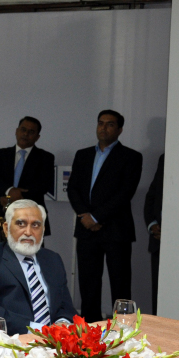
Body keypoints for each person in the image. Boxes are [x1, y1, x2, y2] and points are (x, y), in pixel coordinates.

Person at [66, 109, 143, 321]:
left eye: (110, 124)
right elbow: (73, 189)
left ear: (119, 130)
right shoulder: (83, 155)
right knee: (88, 285)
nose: (104, 128)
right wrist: (85, 216)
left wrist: (96, 217)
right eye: (101, 123)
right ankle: (90, 329)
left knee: (120, 284)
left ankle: (123, 329)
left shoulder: (131, 157)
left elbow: (125, 193)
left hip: (116, 229)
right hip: (86, 229)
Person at [0, 199, 76, 336]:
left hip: (55, 340)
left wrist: (63, 324)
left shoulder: (53, 259)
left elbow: (66, 307)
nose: (28, 232)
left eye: (35, 225)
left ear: (43, 230)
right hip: (11, 340)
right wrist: (39, 330)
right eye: (21, 224)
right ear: (6, 228)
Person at [0, 116, 55, 235]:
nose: (26, 134)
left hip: (31, 216)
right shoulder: (1, 154)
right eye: (23, 129)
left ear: (37, 137)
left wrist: (15, 198)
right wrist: (9, 191)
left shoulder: (45, 158)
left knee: (29, 247)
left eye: (31, 132)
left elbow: (43, 185)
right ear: (16, 131)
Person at [143, 153, 164, 315]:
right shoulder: (165, 158)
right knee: (159, 295)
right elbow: (152, 196)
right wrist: (152, 224)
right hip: (159, 240)